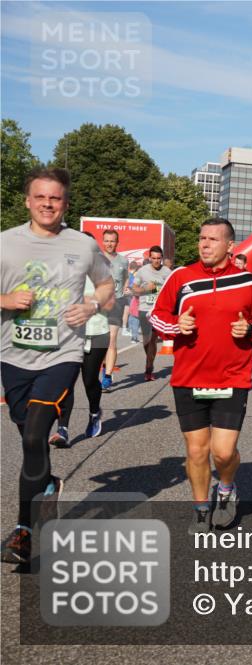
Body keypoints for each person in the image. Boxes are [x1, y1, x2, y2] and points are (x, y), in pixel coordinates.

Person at [1, 167, 113, 563]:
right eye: (41, 197)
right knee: (27, 437)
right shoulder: (5, 243)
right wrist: (5, 300)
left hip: (63, 354)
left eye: (56, 198)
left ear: (65, 203)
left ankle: (23, 533)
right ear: (28, 200)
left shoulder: (82, 245)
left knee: (35, 437)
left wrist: (91, 305)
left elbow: (107, 286)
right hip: (13, 357)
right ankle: (48, 484)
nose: (48, 204)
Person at [150, 217, 252, 534]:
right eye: (202, 238)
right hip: (189, 376)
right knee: (195, 450)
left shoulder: (249, 283)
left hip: (232, 376)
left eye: (213, 240)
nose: (205, 244)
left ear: (230, 246)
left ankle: (227, 487)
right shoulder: (181, 277)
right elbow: (157, 315)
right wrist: (177, 325)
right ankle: (201, 508)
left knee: (223, 452)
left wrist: (251, 329)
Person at [51, 233, 113, 445]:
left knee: (88, 381)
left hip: (96, 333)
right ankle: (63, 429)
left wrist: (87, 300)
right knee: (66, 381)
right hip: (69, 334)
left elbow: (111, 304)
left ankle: (95, 413)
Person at [133, 246, 170, 381]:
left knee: (153, 339)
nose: (156, 261)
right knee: (146, 340)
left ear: (162, 258)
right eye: (153, 258)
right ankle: (149, 362)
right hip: (144, 309)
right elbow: (134, 289)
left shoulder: (167, 272)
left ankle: (149, 368)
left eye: (158, 259)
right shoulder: (142, 271)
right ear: (149, 258)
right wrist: (144, 289)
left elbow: (172, 289)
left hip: (158, 310)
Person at [99, 229, 129, 391]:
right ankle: (104, 365)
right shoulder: (96, 259)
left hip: (116, 302)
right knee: (100, 341)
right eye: (107, 241)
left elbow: (125, 279)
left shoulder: (123, 261)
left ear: (117, 243)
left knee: (111, 339)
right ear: (102, 241)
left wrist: (124, 289)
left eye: (112, 241)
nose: (109, 244)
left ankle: (108, 375)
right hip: (99, 304)